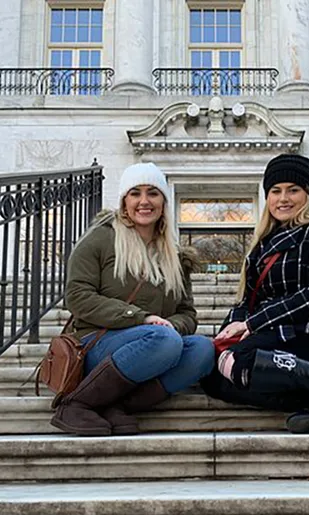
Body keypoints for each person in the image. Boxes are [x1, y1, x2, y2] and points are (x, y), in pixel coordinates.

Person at [200, 153, 309, 434]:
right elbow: (247, 301)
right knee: (212, 376)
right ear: (267, 197)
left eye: (293, 190)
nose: (284, 198)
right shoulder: (261, 246)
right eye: (275, 191)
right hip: (273, 338)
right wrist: (228, 332)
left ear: (308, 194)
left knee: (242, 360)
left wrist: (254, 324)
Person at [51, 162, 214, 437]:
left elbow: (188, 313)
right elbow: (78, 297)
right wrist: (142, 319)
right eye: (135, 193)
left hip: (155, 345)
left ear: (164, 201)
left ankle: (114, 406)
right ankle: (75, 404)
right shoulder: (101, 238)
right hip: (96, 345)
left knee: (202, 349)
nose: (144, 201)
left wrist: (172, 325)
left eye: (153, 193)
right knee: (163, 340)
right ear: (124, 201)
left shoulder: (174, 255)